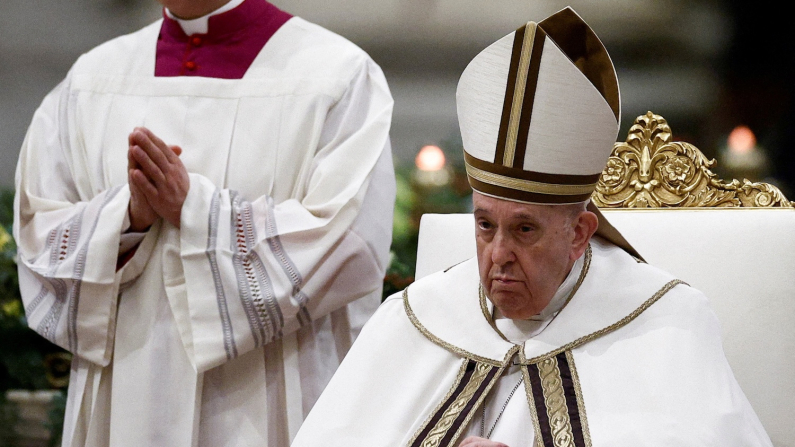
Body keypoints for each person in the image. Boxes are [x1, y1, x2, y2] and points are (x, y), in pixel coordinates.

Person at [291, 7, 773, 447]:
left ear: (581, 233)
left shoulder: (665, 324)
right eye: (484, 225)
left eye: (524, 230)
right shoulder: (417, 317)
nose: (497, 254)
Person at [13, 0, 395, 445]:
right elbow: (39, 233)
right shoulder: (92, 78)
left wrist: (196, 212)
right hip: (126, 393)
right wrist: (128, 218)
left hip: (264, 394)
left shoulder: (336, 74)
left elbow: (348, 241)